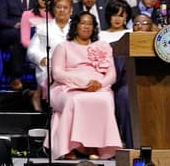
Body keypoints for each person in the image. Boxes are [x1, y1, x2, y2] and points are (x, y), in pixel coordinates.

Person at [48, 11, 122, 159]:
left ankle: (93, 146)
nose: (86, 27)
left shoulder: (103, 46)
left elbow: (112, 75)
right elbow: (57, 74)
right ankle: (70, 147)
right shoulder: (63, 47)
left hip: (99, 87)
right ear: (76, 25)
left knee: (105, 101)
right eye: (83, 23)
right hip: (67, 87)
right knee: (76, 101)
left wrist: (98, 85)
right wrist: (83, 83)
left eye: (90, 24)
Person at [27, 0, 74, 111]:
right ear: (53, 9)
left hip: (73, 66)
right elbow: (31, 50)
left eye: (65, 7)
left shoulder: (77, 27)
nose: (62, 10)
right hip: (49, 66)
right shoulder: (43, 28)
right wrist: (41, 58)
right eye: (59, 7)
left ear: (71, 10)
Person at [0, 0, 37, 90]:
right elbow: (1, 19)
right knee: (17, 36)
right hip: (12, 31)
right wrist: (18, 24)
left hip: (34, 31)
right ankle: (16, 77)